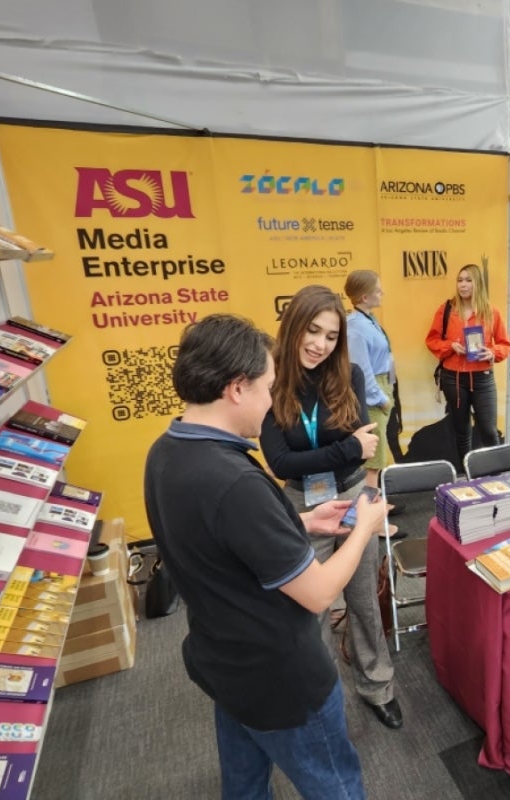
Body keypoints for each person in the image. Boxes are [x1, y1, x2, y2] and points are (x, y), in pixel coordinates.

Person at [142, 313, 388, 800]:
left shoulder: (167, 450)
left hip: (224, 662)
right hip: (280, 678)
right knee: (335, 785)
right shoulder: (234, 480)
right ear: (237, 388)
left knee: (245, 784)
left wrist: (301, 522)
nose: (273, 400)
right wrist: (364, 529)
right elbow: (318, 593)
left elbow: (215, 538)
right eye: (269, 387)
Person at [258, 285, 405, 732]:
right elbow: (280, 462)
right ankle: (322, 699)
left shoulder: (351, 374)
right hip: (300, 505)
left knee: (363, 602)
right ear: (294, 326)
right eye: (312, 330)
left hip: (353, 494)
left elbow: (365, 449)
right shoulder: (269, 379)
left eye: (330, 336)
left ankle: (378, 686)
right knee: (311, 611)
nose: (319, 344)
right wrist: (346, 448)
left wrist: (348, 450)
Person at [425, 263, 510, 467]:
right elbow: (432, 341)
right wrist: (451, 346)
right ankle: (467, 473)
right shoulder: (446, 309)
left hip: (482, 378)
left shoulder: (491, 312)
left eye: (468, 280)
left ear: (477, 284)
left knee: (489, 430)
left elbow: (505, 345)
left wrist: (492, 352)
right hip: (453, 379)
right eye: (460, 280)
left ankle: (495, 473)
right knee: (462, 430)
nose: (462, 285)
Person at [344, 270, 398, 491]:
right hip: (373, 395)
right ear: (365, 297)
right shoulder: (355, 328)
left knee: (379, 452)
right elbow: (362, 371)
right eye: (378, 290)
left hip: (383, 386)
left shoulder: (367, 320)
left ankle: (375, 502)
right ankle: (370, 509)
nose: (382, 293)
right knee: (373, 460)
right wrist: (381, 399)